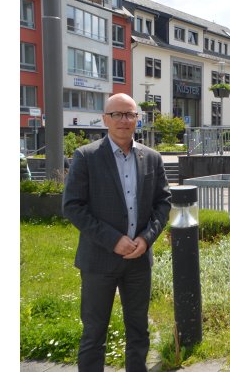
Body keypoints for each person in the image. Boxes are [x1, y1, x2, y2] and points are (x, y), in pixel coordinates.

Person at [62, 93, 172, 372]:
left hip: (138, 260)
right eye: (117, 114)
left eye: (130, 114)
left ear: (138, 118)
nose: (124, 120)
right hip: (99, 260)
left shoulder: (152, 158)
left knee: (138, 331)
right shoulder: (86, 156)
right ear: (105, 119)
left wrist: (146, 240)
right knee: (94, 333)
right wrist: (114, 240)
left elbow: (163, 204)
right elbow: (73, 206)